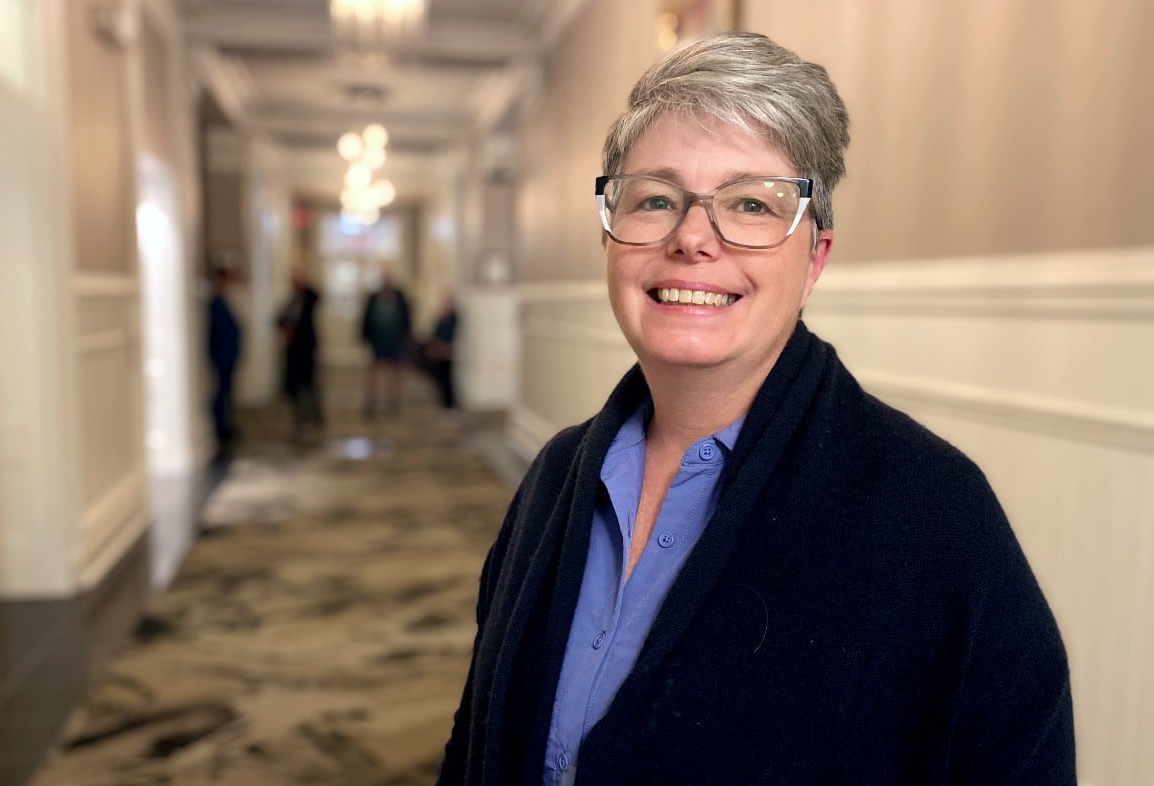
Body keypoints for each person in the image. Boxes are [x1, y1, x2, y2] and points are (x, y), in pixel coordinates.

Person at [438, 32, 1073, 786]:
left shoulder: (935, 516)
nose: (691, 240)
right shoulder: (557, 477)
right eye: (655, 199)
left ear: (815, 258)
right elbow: (475, 740)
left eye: (749, 203)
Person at [360, 269, 413, 417]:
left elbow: (406, 316)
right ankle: (371, 399)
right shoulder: (374, 297)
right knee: (374, 369)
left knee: (396, 371)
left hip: (395, 339)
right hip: (378, 339)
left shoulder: (399, 297)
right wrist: (365, 335)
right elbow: (367, 317)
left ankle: (394, 399)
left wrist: (406, 335)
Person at [277, 270, 323, 439]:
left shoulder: (308, 299)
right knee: (295, 386)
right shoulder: (291, 301)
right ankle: (299, 416)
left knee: (310, 384)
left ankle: (315, 416)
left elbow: (316, 295)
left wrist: (305, 281)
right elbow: (279, 318)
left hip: (306, 349)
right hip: (293, 350)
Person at [206, 265, 241, 461]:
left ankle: (225, 424)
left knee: (226, 391)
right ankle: (220, 426)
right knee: (220, 392)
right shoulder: (216, 303)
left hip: (228, 355)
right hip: (222, 356)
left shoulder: (223, 301)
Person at [422, 291, 459, 413]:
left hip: (448, 352)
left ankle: (450, 406)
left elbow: (453, 334)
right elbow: (436, 333)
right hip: (438, 351)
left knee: (448, 380)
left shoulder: (454, 317)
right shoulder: (442, 317)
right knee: (441, 379)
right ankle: (444, 404)